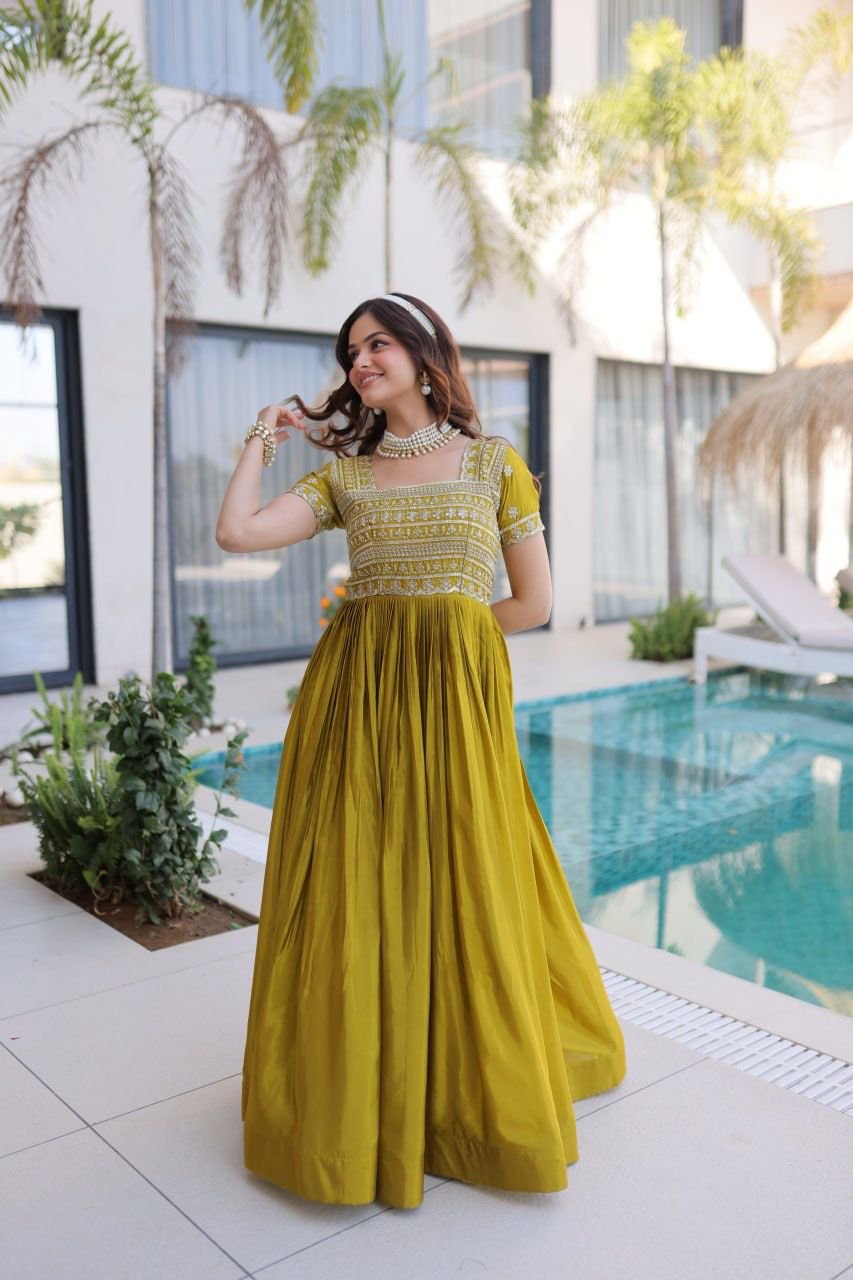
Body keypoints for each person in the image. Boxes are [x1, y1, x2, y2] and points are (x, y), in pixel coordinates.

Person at [215, 291, 627, 1212]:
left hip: (451, 705)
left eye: (376, 344)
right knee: (360, 882)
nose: (358, 362)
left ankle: (457, 1096)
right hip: (352, 705)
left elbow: (532, 604)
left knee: (461, 874)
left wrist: (446, 636)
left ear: (422, 353)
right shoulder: (346, 479)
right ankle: (358, 1099)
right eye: (349, 352)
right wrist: (262, 438)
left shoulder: (493, 464)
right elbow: (237, 533)